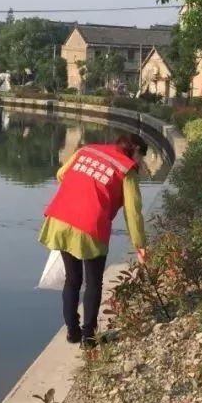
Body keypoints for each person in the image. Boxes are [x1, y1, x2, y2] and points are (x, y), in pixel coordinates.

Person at [39, 133, 148, 348]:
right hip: (90, 226)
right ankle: (88, 337)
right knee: (93, 282)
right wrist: (140, 245)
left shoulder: (87, 150)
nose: (141, 162)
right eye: (141, 157)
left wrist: (83, 188)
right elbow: (133, 213)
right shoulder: (127, 169)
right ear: (134, 151)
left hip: (61, 218)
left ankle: (72, 332)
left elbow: (61, 174)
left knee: (72, 279)